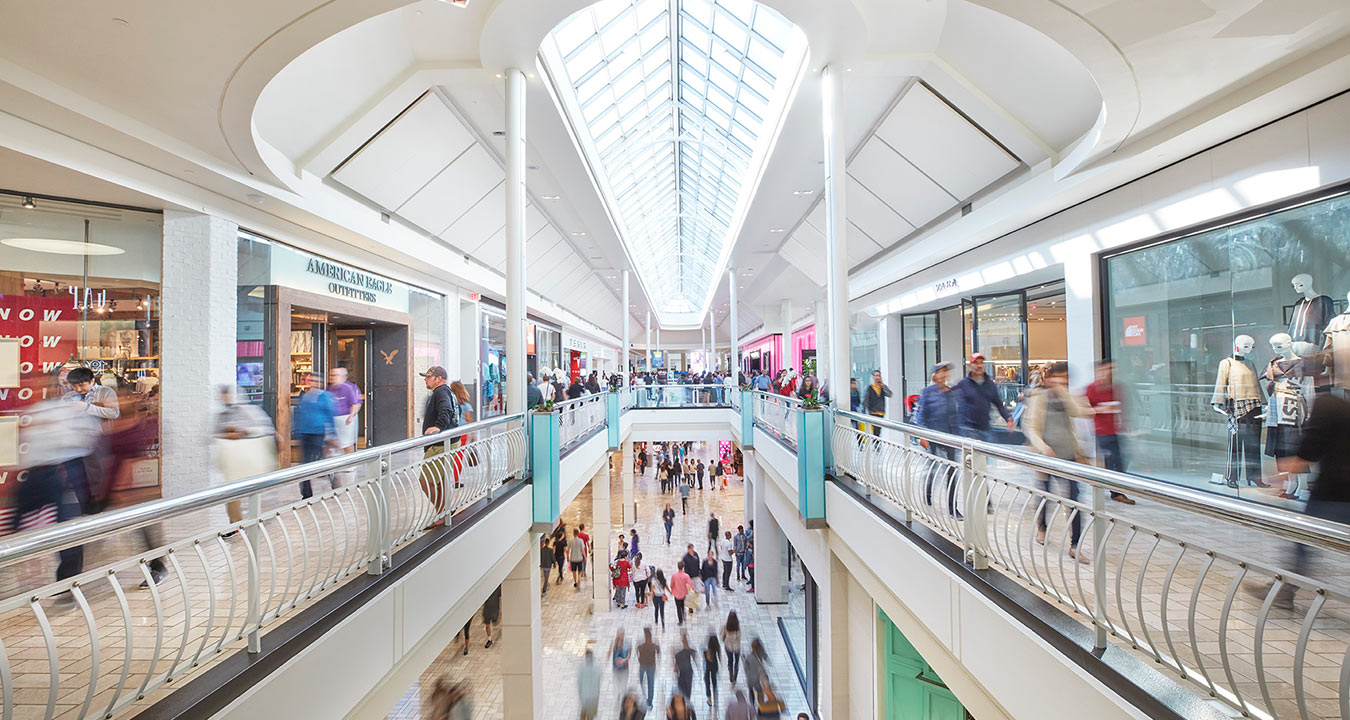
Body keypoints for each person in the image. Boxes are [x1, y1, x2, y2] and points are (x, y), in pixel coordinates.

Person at [1023, 362, 1092, 563]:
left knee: (1075, 499)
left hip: (1069, 456)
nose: (1061, 381)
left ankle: (1075, 544)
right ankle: (1042, 528)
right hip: (1047, 458)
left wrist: (1064, 393)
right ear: (1049, 377)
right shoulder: (1038, 398)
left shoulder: (1066, 397)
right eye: (1058, 377)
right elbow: (1031, 428)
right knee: (1045, 496)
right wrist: (1044, 448)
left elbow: (1080, 412)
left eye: (1065, 378)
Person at [214, 385, 278, 525]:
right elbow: (215, 435)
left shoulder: (250, 411)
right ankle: (236, 524)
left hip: (251, 461)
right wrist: (226, 435)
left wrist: (243, 431)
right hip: (233, 463)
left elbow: (263, 429)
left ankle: (258, 519)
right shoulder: (221, 416)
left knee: (255, 492)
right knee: (231, 494)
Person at [1083, 360, 1135, 504]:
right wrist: (1101, 409)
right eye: (1107, 369)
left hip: (1116, 429)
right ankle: (1115, 492)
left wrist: (1125, 423)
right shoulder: (1091, 389)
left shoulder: (1117, 387)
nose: (1110, 371)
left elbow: (1124, 406)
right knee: (1115, 460)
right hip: (1101, 431)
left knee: (1114, 460)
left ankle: (1110, 486)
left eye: (1112, 368)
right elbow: (1084, 410)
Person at [913, 362, 961, 518]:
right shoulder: (927, 392)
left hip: (950, 438)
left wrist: (959, 438)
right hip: (933, 437)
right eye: (939, 372)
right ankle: (927, 495)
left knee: (952, 473)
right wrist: (923, 434)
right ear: (934, 376)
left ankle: (953, 508)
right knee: (932, 470)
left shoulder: (951, 392)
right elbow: (921, 414)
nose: (943, 375)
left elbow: (955, 416)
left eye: (945, 372)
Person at [419, 366, 459, 517]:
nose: (425, 379)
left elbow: (446, 410)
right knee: (440, 481)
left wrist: (438, 427)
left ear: (438, 378)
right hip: (447, 442)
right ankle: (444, 510)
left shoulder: (441, 392)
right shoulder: (447, 392)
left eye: (429, 377)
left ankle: (442, 513)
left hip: (440, 445)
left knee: (426, 482)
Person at [292, 372, 337, 498]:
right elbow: (300, 415)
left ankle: (332, 482)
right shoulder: (305, 397)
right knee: (305, 462)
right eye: (311, 380)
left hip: (318, 433)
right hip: (305, 433)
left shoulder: (325, 397)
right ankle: (306, 493)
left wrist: (333, 434)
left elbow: (330, 415)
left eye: (315, 381)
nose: (312, 383)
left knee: (319, 460)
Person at [953, 353, 1014, 442]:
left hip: (985, 428)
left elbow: (998, 403)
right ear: (970, 365)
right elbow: (952, 401)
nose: (979, 366)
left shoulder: (990, 385)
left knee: (990, 454)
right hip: (968, 430)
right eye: (976, 363)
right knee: (973, 455)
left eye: (981, 362)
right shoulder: (963, 384)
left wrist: (1008, 418)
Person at [327, 367, 363, 458]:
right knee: (333, 443)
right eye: (331, 375)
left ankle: (351, 464)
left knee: (347, 443)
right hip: (333, 419)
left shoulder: (349, 387)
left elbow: (355, 404)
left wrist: (351, 416)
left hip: (345, 418)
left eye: (335, 375)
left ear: (343, 376)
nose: (332, 377)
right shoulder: (329, 388)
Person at [863, 370, 893, 437]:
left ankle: (876, 443)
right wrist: (864, 411)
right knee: (875, 429)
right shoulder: (870, 387)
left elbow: (890, 394)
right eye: (876, 375)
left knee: (878, 430)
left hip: (881, 412)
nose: (877, 377)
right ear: (873, 377)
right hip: (873, 412)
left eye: (878, 375)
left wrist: (883, 385)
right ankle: (876, 444)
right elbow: (866, 399)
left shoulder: (882, 387)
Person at [637, 626, 661, 708]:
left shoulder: (654, 640)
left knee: (650, 683)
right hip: (643, 664)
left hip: (651, 665)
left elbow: (658, 652)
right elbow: (637, 650)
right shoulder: (640, 640)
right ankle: (643, 698)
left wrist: (653, 646)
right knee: (641, 682)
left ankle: (649, 701)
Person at [578, 649, 602, 720]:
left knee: (583, 712)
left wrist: (580, 695)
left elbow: (579, 682)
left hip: (585, 695)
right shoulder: (597, 666)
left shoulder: (582, 667)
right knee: (590, 715)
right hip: (593, 696)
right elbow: (599, 679)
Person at [674, 632, 697, 700]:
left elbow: (675, 668)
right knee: (685, 690)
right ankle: (685, 702)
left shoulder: (688, 651)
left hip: (685, 672)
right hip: (685, 672)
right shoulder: (681, 651)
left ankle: (685, 702)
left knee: (684, 690)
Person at [670, 560, 694, 625]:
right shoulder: (686, 576)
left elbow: (671, 585)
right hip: (683, 594)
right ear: (683, 567)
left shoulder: (674, 576)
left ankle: (680, 621)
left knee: (678, 608)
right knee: (682, 605)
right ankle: (683, 615)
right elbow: (690, 583)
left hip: (676, 594)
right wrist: (693, 589)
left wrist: (672, 590)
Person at [721, 611, 742, 684]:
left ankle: (730, 676)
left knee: (730, 661)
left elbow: (722, 637)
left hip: (728, 647)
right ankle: (735, 677)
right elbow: (739, 637)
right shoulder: (738, 628)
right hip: (737, 648)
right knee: (736, 662)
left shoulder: (726, 627)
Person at [703, 633, 722, 708]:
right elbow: (719, 658)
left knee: (707, 683)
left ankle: (710, 700)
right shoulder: (717, 649)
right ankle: (715, 699)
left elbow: (707, 659)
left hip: (707, 668)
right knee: (714, 683)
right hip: (715, 666)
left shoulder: (706, 651)